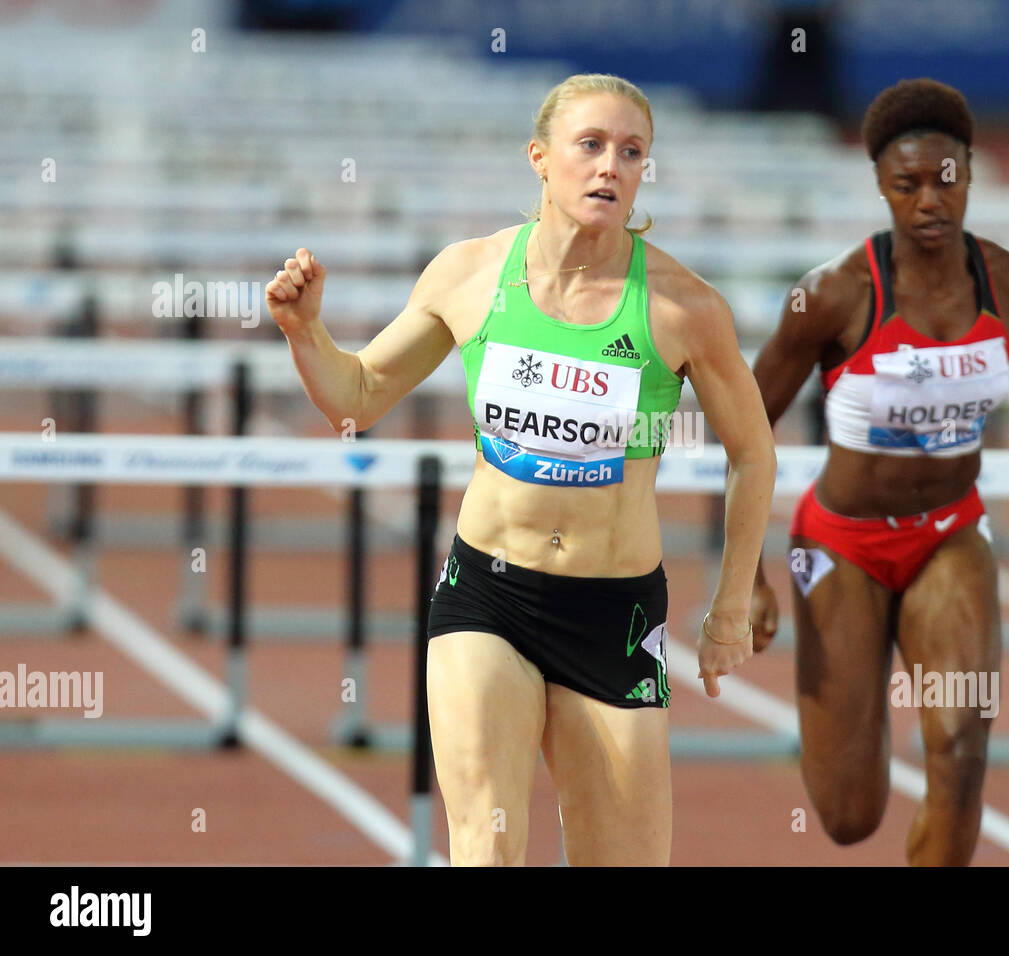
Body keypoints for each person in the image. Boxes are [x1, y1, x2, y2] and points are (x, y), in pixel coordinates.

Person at [265, 73, 776, 866]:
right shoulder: (468, 275)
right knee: (487, 850)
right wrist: (305, 334)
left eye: (632, 152)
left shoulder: (684, 308)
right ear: (540, 158)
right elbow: (357, 398)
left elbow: (753, 454)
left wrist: (730, 609)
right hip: (488, 595)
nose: (611, 166)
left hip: (616, 615)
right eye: (591, 145)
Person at [747, 78, 1009, 865]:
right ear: (881, 186)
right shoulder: (832, 296)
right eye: (906, 184)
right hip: (841, 545)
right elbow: (745, 431)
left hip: (949, 536)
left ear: (970, 174)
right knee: (849, 814)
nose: (928, 202)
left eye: (945, 180)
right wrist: (742, 571)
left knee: (960, 749)